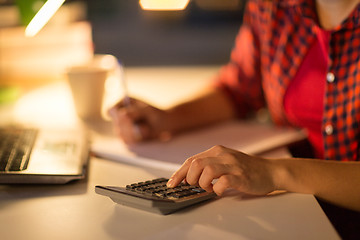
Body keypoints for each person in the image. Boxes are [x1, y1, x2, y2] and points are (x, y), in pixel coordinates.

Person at [109, 0, 360, 213]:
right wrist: (168, 119)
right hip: (300, 207)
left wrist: (274, 173)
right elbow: (239, 90)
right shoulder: (274, 6)